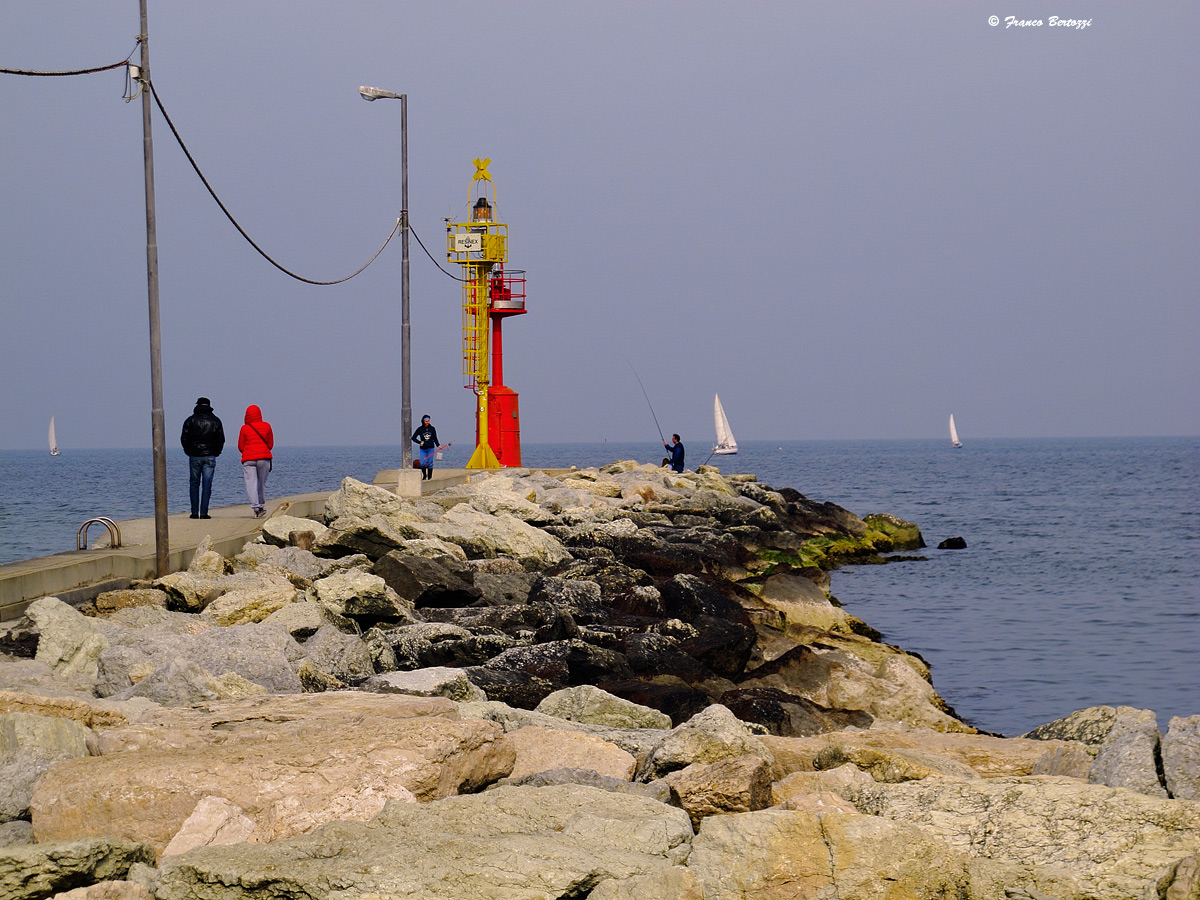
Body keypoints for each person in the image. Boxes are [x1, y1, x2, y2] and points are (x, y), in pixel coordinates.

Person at [180, 397, 225, 519]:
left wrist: (188, 451)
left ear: (197, 405)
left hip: (194, 455)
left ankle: (194, 512)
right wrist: (216, 452)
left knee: (194, 484)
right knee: (207, 484)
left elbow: (184, 438)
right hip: (210, 455)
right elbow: (221, 439)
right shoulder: (216, 421)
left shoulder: (190, 420)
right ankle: (204, 513)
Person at [238, 404, 274, 518]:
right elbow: (270, 444)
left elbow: (240, 447)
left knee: (251, 483)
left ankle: (256, 507)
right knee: (261, 483)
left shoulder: (244, 428)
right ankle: (261, 504)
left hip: (248, 459)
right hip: (263, 458)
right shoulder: (267, 426)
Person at [411, 415, 442, 481]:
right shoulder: (420, 429)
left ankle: (429, 477)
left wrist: (438, 445)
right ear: (423, 421)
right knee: (422, 463)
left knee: (430, 463)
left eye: (428, 421)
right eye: (426, 421)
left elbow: (435, 438)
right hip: (423, 449)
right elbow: (413, 438)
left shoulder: (432, 428)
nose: (427, 422)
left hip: (430, 448)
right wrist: (419, 442)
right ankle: (424, 475)